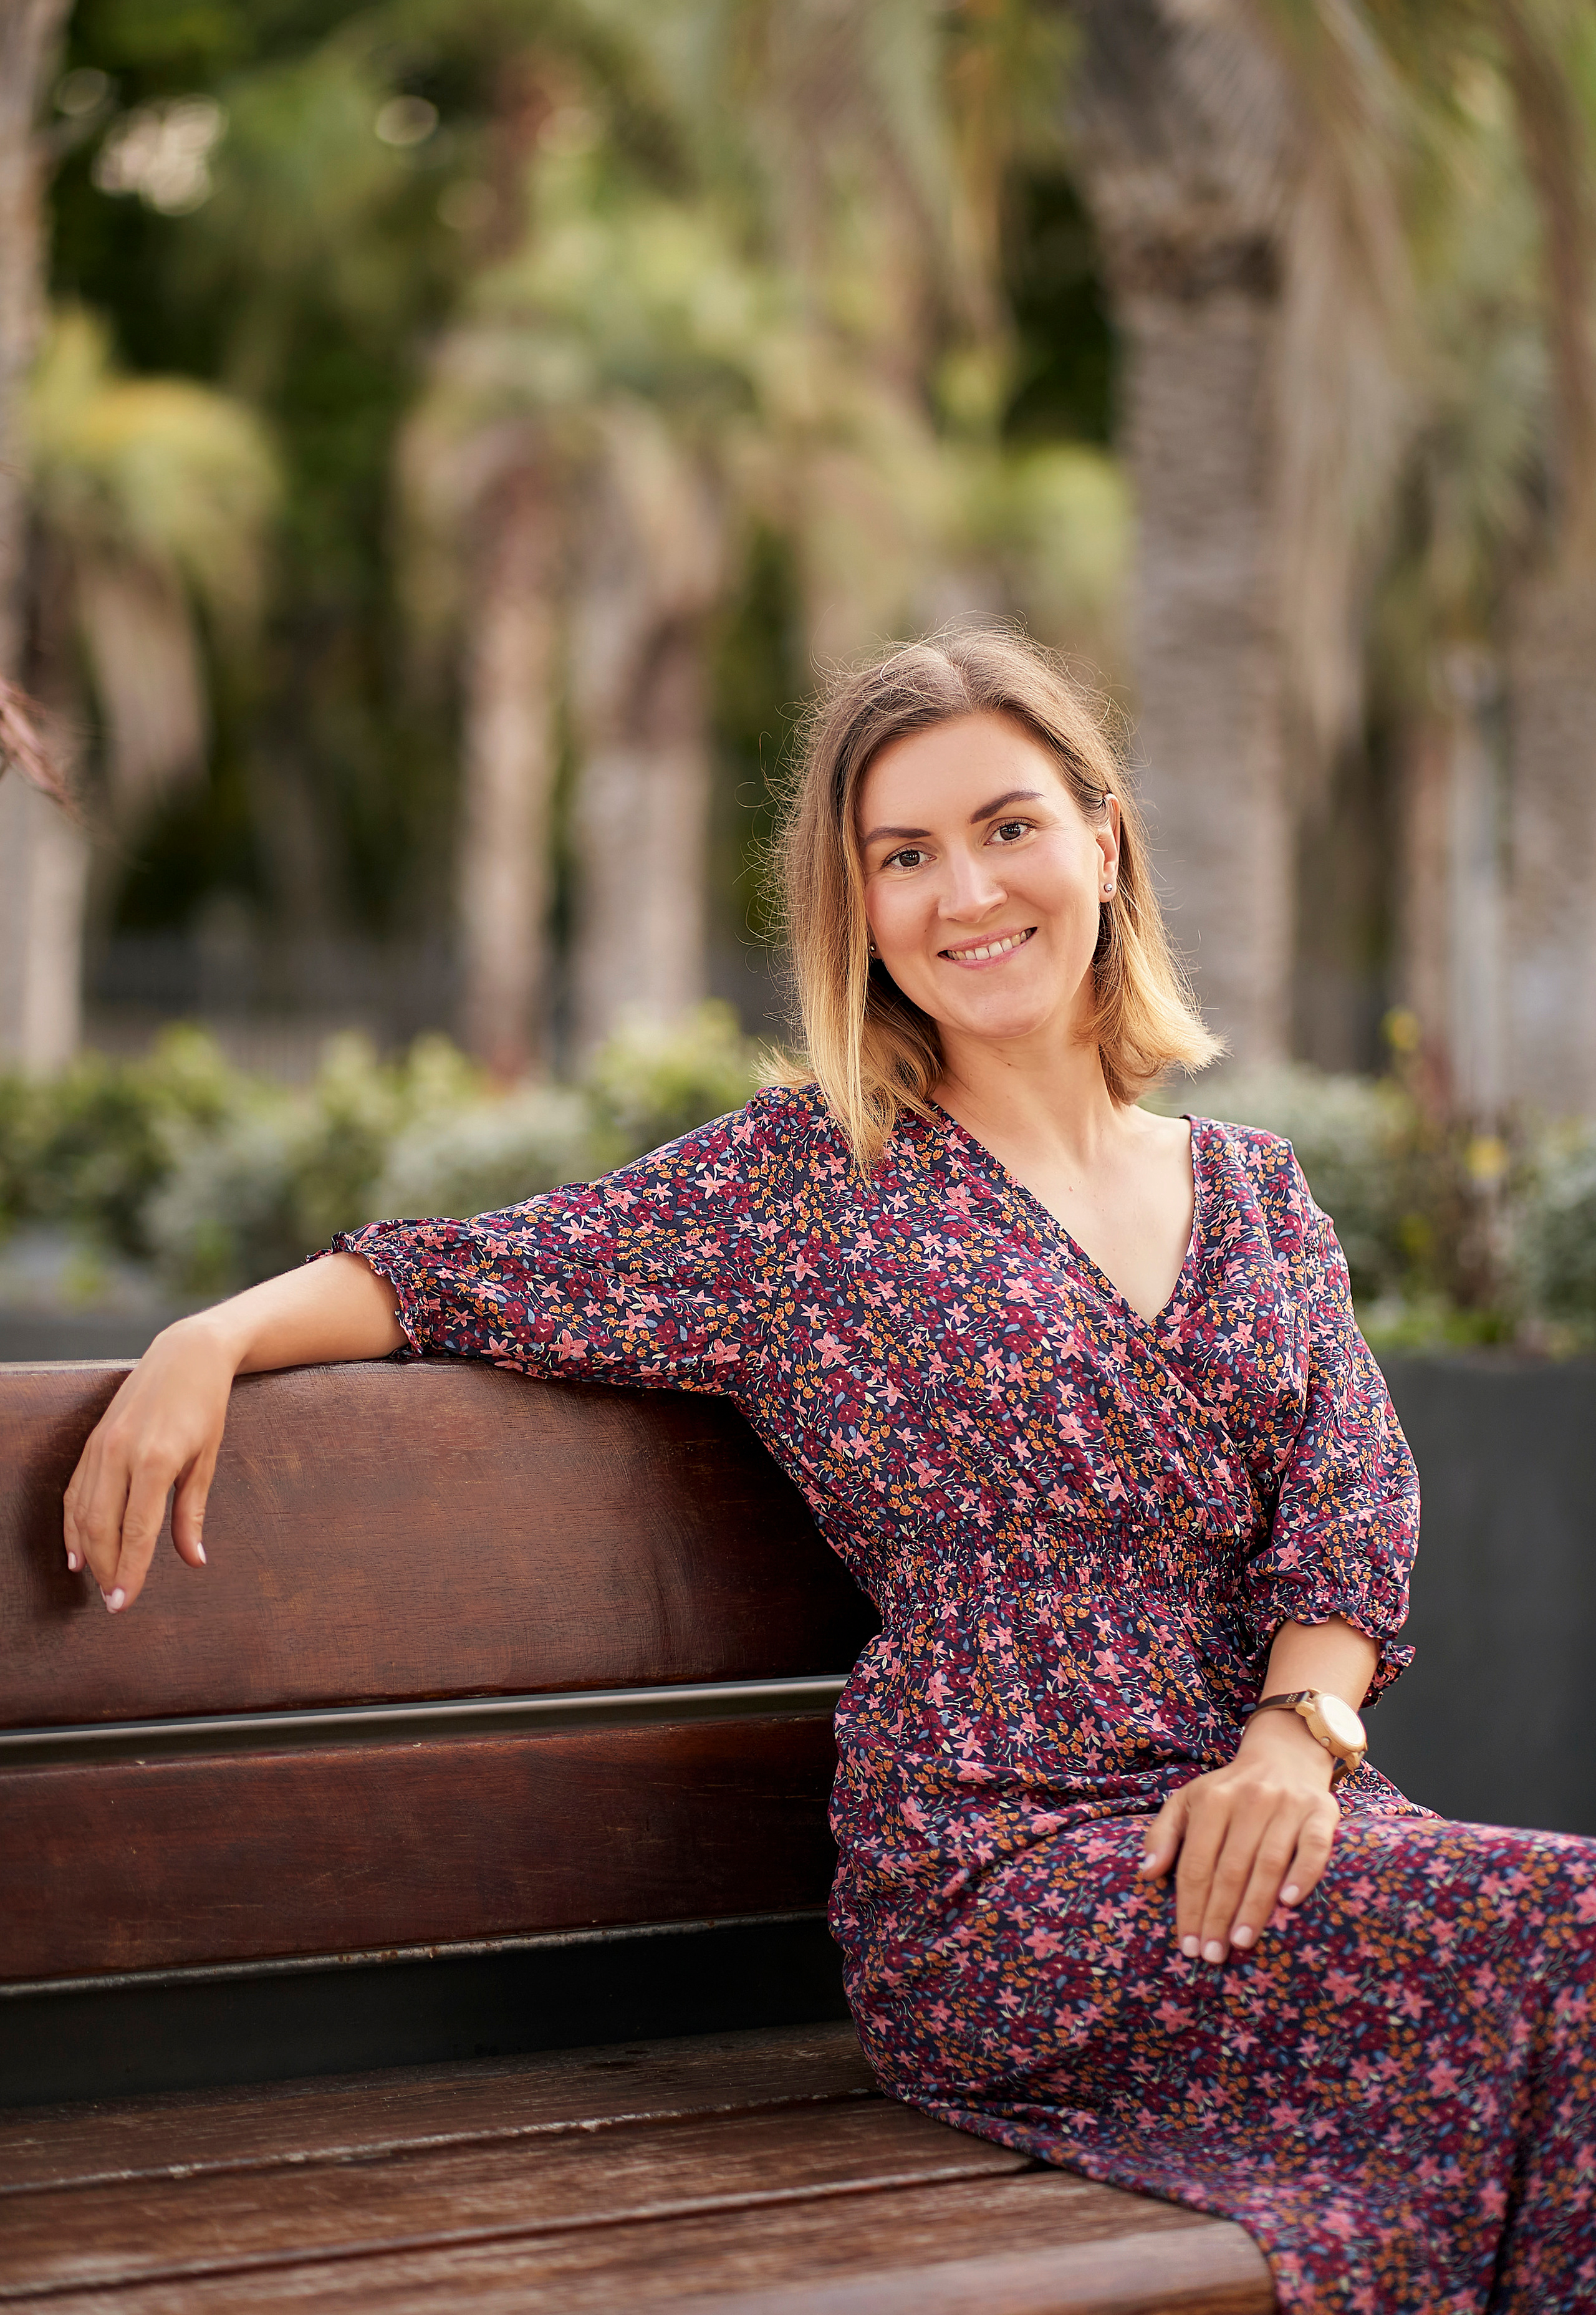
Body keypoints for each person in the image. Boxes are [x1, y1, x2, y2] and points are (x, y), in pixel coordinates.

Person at [63, 627, 1594, 2314]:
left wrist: (1296, 1745)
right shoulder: (803, 1190)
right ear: (856, 908)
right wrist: (202, 1343)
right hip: (1007, 1872)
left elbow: (1349, 1505)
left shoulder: (1255, 1191)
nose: (967, 892)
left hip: (1278, 1828)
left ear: (1104, 837)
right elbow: (451, 1274)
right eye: (905, 857)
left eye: (1008, 827)